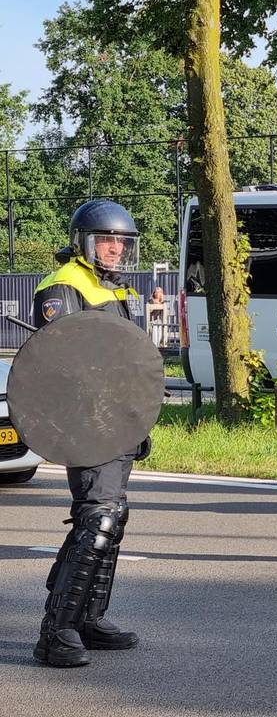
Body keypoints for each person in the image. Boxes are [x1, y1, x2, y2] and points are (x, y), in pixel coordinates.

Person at [33, 199, 145, 667]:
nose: (115, 249)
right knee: (96, 518)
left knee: (111, 518)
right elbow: (62, 362)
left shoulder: (118, 291)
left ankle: (88, 618)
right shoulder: (64, 287)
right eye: (107, 240)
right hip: (86, 422)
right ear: (83, 242)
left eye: (122, 242)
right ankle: (55, 631)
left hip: (120, 421)